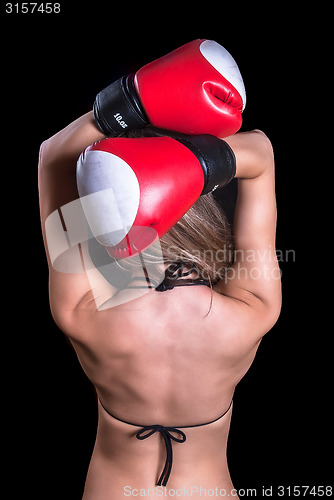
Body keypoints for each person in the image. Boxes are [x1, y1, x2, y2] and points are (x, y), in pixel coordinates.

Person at [38, 42, 281, 499]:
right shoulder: (254, 310)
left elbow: (53, 157)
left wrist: (126, 104)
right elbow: (261, 154)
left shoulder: (83, 310)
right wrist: (197, 165)